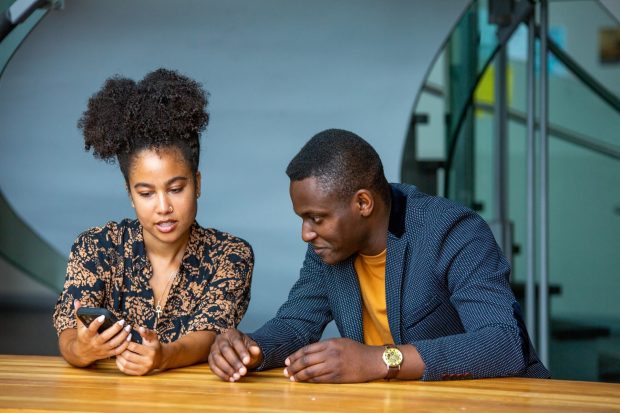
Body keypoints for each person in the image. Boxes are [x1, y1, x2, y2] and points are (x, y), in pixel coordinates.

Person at [208, 128, 549, 383]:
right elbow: (296, 324)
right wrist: (249, 349)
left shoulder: (451, 231)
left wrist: (379, 360)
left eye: (316, 218)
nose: (306, 233)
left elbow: (503, 344)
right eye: (302, 219)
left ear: (363, 203)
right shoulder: (329, 248)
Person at [53, 68, 253, 376]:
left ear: (197, 183)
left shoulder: (230, 255)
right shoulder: (96, 248)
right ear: (130, 193)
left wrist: (164, 357)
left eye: (176, 189)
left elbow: (211, 333)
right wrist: (80, 350)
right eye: (146, 193)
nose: (163, 207)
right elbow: (69, 326)